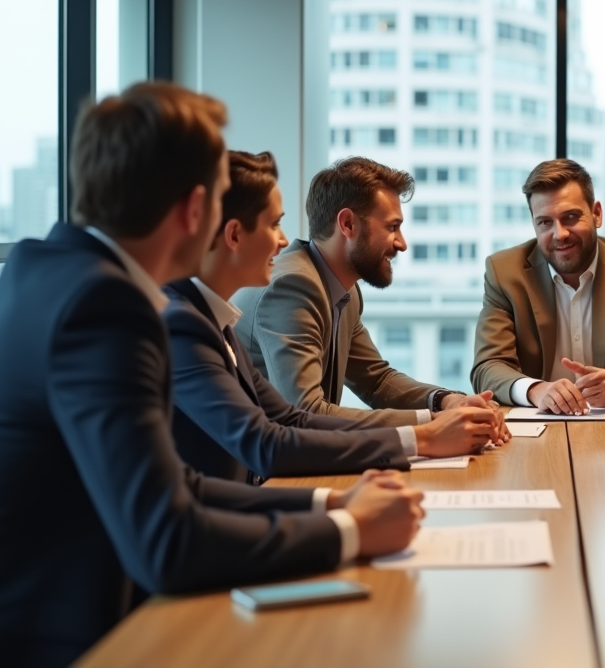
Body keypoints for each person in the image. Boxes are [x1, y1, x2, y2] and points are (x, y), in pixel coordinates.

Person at [0, 84, 424, 668]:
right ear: (195, 211)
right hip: (67, 641)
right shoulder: (106, 308)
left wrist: (333, 506)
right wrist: (351, 534)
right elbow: (167, 541)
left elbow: (177, 483)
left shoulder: (46, 270)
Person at [167, 150, 499, 485]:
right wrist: (425, 433)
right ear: (347, 224)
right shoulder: (287, 287)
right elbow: (291, 423)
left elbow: (362, 385)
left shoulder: (221, 316)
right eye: (274, 224)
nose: (402, 243)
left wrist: (443, 404)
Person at [232, 157, 506, 439]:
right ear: (348, 224)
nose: (402, 243)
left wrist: (448, 401)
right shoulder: (293, 286)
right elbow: (305, 411)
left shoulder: (343, 288)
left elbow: (376, 380)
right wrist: (432, 423)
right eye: (391, 227)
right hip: (258, 475)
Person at [471, 159, 605, 414]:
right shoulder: (504, 273)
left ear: (596, 214)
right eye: (545, 222)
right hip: (536, 423)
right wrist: (536, 390)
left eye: (570, 217)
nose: (560, 234)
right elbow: (488, 366)